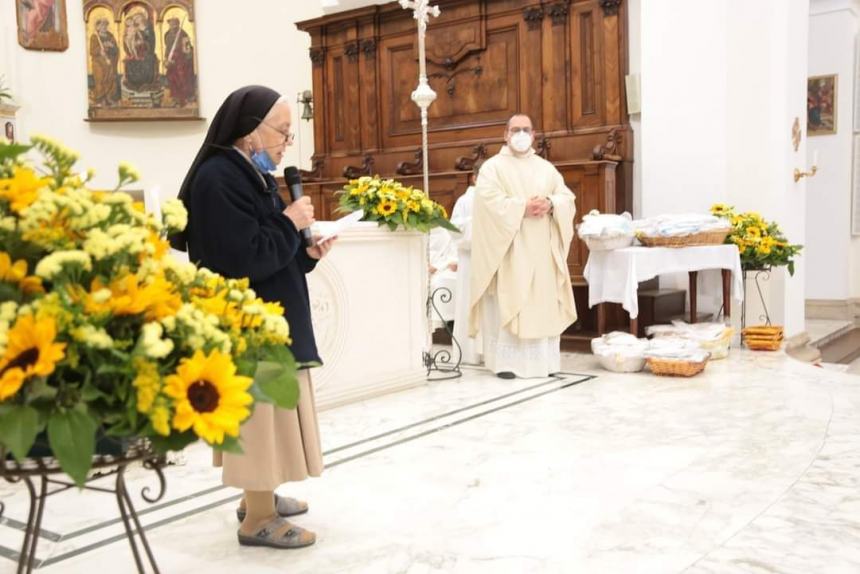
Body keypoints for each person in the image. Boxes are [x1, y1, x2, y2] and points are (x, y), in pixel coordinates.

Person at [173, 86, 335, 549]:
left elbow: (274, 250)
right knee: (259, 419)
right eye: (282, 131)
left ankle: (259, 495)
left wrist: (309, 252)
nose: (288, 141)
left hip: (269, 317)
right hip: (246, 327)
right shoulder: (218, 178)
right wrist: (289, 221)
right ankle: (258, 518)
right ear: (249, 131)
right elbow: (245, 257)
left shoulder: (250, 174)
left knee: (269, 420)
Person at [469, 113, 577, 379]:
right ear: (505, 134)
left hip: (542, 249)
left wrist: (552, 203)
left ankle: (544, 363)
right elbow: (487, 202)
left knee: (541, 303)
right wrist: (521, 207)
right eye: (515, 129)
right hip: (510, 249)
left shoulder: (545, 168)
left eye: (525, 129)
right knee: (512, 298)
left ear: (533, 135)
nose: (520, 134)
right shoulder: (492, 168)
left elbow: (567, 197)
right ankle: (507, 363)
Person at [451, 169, 481, 364]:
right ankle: (469, 352)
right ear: (474, 177)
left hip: (491, 258)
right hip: (470, 258)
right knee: (468, 301)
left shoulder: (496, 199)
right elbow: (454, 229)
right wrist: (477, 225)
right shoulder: (464, 200)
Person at [164, 17, 195, 107]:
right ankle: (175, 97)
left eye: (173, 24)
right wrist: (166, 58)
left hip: (181, 60)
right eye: (170, 24)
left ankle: (183, 98)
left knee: (182, 78)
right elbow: (167, 48)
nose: (171, 26)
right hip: (172, 59)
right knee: (171, 77)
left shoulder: (183, 34)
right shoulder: (168, 35)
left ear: (177, 24)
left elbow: (187, 48)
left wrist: (186, 56)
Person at [90, 18, 119, 107]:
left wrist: (111, 47)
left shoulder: (110, 36)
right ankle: (100, 98)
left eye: (105, 25)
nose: (104, 27)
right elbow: (92, 51)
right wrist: (100, 50)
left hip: (109, 61)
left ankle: (109, 98)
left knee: (110, 78)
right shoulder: (95, 37)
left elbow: (116, 50)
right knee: (100, 79)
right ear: (97, 27)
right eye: (102, 25)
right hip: (98, 62)